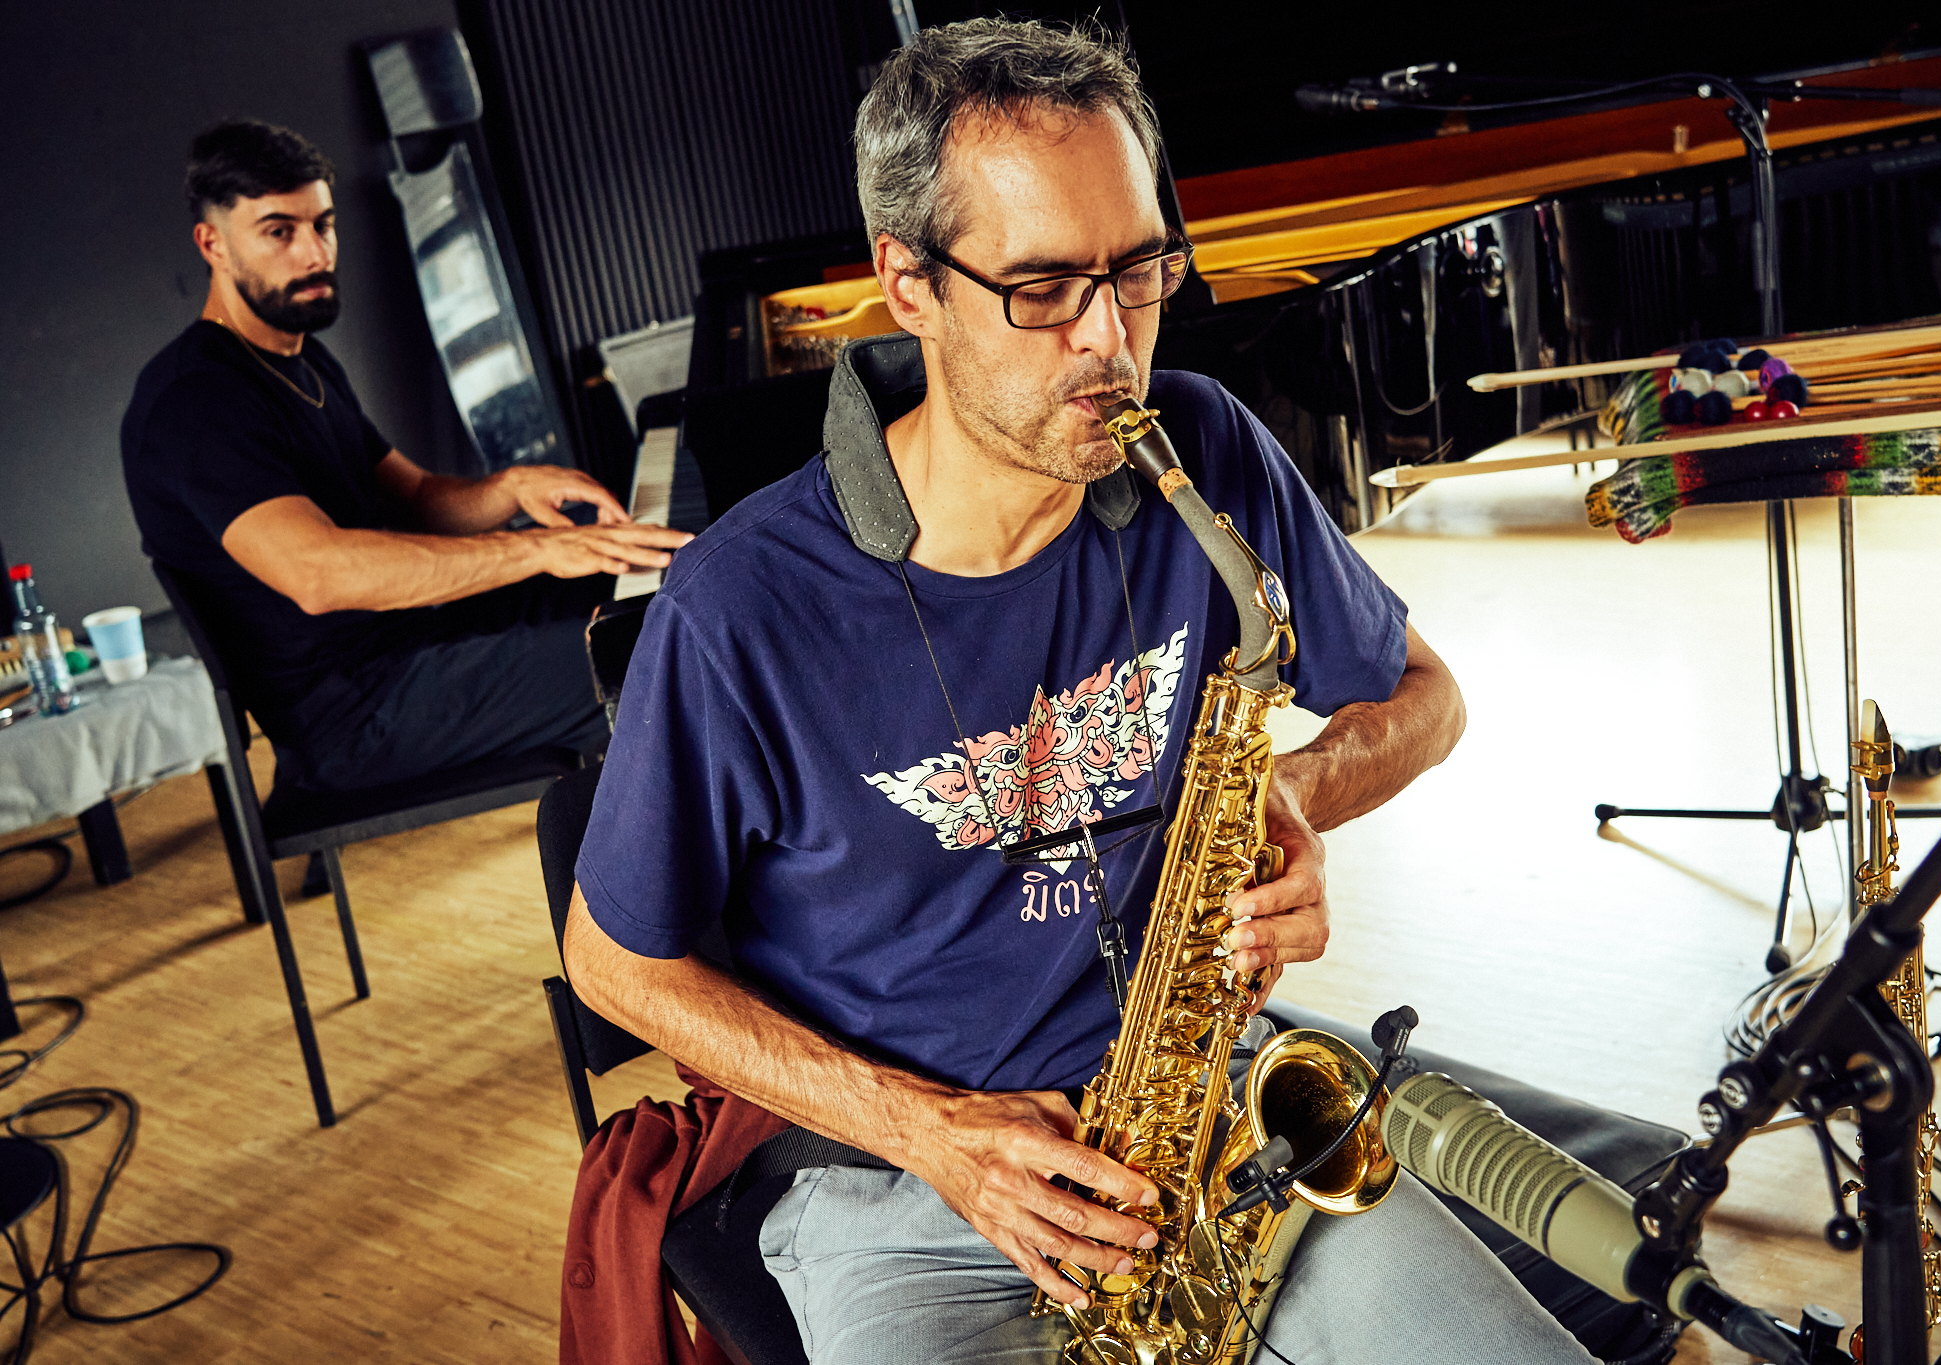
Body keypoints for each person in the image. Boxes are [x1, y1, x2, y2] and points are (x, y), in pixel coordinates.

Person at [566, 21, 1593, 1364]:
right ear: (907, 282)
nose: (1113, 339)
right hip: (901, 1183)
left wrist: (1290, 791)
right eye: (1045, 286)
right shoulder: (740, 607)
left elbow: (1424, 694)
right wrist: (932, 1133)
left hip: (1208, 1107)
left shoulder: (1202, 446)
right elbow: (611, 959)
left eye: (1140, 270)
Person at [122, 119, 688, 793]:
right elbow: (318, 573)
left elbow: (417, 498)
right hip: (352, 714)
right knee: (663, 659)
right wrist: (539, 549)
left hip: (415, 642)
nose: (315, 253)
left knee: (654, 591)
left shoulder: (305, 360)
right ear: (212, 243)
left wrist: (511, 489)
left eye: (323, 225)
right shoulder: (194, 401)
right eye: (279, 232)